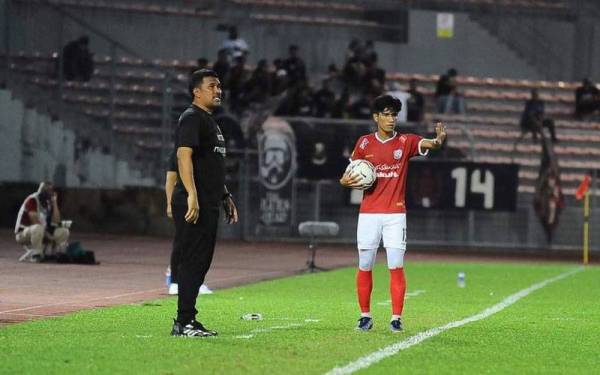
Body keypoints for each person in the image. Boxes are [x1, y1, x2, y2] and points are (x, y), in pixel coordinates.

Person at [339, 94, 447, 332]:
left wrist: (438, 141)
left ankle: (396, 318)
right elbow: (350, 173)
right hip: (368, 213)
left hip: (395, 215)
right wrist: (345, 182)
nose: (391, 119)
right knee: (365, 264)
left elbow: (429, 144)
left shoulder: (405, 142)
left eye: (394, 115)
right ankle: (365, 316)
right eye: (386, 114)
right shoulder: (364, 143)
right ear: (376, 116)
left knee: (395, 265)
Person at [170, 69, 238, 337]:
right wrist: (192, 195)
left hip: (208, 201)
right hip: (193, 202)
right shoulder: (191, 118)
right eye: (212, 86)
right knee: (192, 261)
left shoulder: (210, 121)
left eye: (219, 86)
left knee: (201, 262)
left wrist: (224, 195)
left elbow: (210, 165)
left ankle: (188, 319)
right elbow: (183, 157)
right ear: (196, 91)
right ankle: (183, 322)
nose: (218, 90)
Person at [165, 150, 213, 296]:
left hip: (202, 201)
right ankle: (174, 281)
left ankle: (195, 282)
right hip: (183, 200)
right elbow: (171, 178)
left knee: (198, 243)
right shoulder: (180, 152)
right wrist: (169, 203)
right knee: (181, 240)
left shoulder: (202, 154)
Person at [15, 182, 70, 262]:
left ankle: (54, 254)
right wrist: (49, 236)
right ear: (44, 191)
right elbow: (35, 221)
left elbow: (56, 221)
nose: (52, 193)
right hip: (23, 233)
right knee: (38, 228)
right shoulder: (32, 200)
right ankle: (36, 255)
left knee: (64, 230)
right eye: (50, 191)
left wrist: (54, 203)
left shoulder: (48, 202)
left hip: (41, 232)